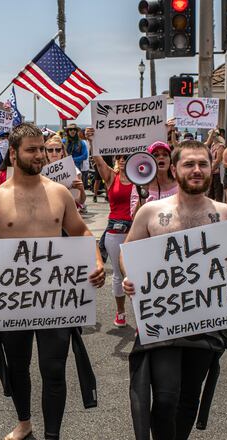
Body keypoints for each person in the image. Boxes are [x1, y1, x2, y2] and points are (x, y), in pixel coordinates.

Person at [0, 122, 105, 440]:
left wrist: (95, 258)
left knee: (53, 369)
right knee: (18, 365)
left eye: (42, 148)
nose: (40, 155)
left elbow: (81, 231)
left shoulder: (59, 193)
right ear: (13, 153)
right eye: (32, 149)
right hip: (14, 300)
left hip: (55, 298)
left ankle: (52, 434)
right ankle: (24, 422)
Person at [120, 140, 227, 440]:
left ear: (212, 169)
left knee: (189, 397)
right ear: (175, 170)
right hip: (163, 322)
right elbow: (128, 251)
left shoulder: (226, 213)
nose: (196, 170)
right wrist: (129, 276)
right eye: (189, 164)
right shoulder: (151, 212)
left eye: (202, 164)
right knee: (165, 397)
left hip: (207, 325)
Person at [88, 132, 133, 327]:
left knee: (137, 274)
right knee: (117, 273)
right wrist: (92, 140)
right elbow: (98, 161)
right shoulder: (111, 177)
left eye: (127, 157)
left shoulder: (142, 176)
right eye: (120, 157)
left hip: (136, 229)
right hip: (115, 230)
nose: (123, 160)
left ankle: (142, 314)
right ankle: (121, 312)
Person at [130, 142, 179, 217]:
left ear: (170, 160)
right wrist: (143, 193)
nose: (161, 157)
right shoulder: (140, 183)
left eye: (165, 155)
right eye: (156, 155)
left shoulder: (180, 182)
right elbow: (135, 218)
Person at [45, 134, 86, 206]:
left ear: (62, 152)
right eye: (50, 150)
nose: (54, 153)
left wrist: (81, 190)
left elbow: (79, 201)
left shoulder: (73, 170)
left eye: (58, 150)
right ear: (46, 153)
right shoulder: (39, 172)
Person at [205, 129, 225, 202]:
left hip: (218, 173)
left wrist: (211, 170)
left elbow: (218, 160)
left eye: (214, 135)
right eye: (211, 135)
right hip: (212, 172)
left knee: (218, 194)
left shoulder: (221, 146)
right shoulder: (212, 145)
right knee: (210, 194)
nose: (213, 137)